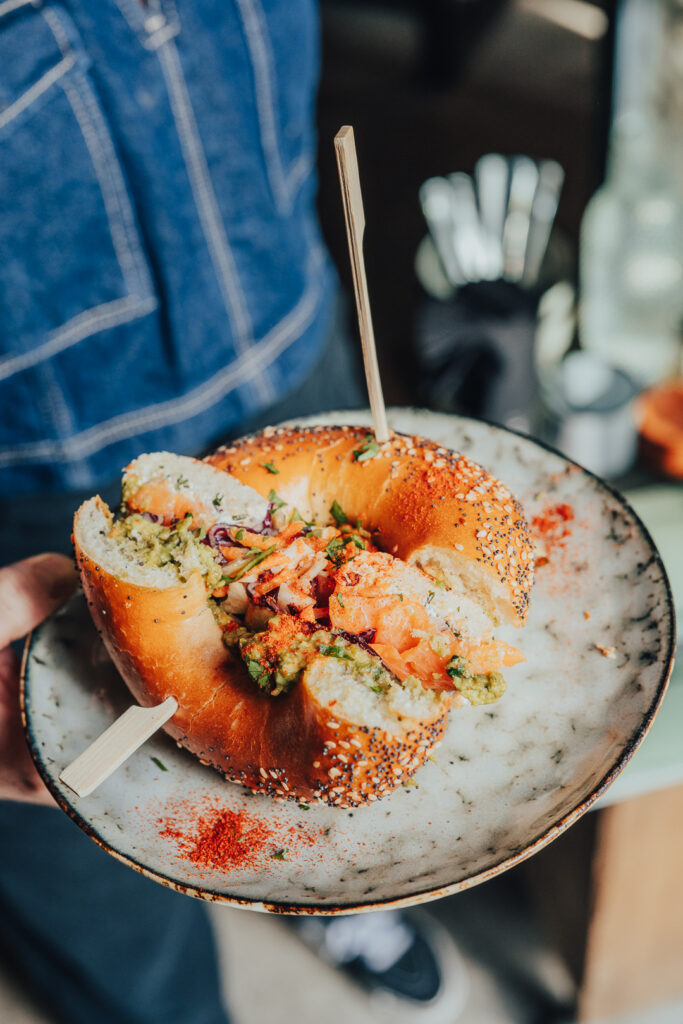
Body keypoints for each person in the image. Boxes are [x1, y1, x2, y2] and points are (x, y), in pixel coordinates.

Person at [0, 1, 465, 1021]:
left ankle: (335, 898)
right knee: (85, 852)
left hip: (290, 334)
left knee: (330, 779)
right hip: (26, 459)